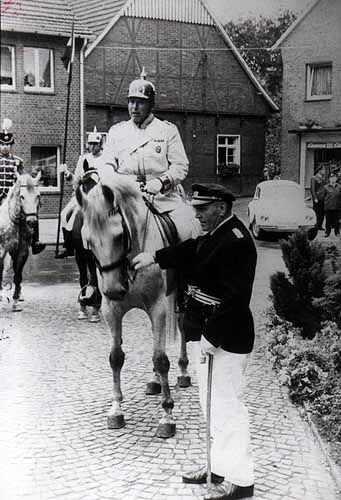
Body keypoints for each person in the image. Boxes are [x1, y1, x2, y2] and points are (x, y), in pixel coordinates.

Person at [133, 183, 257, 500]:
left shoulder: (236, 242)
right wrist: (154, 257)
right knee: (211, 406)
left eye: (203, 210)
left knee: (228, 408)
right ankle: (218, 466)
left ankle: (241, 481)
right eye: (196, 210)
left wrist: (211, 339)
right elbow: (190, 250)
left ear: (222, 207)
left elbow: (236, 299)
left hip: (224, 338)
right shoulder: (216, 234)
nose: (198, 215)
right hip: (207, 333)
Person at [100, 69, 194, 240]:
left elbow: (180, 166)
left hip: (161, 198)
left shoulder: (167, 130)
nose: (134, 108)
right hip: (124, 198)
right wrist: (117, 184)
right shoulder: (117, 131)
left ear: (151, 104)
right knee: (94, 233)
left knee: (188, 229)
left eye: (140, 102)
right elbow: (106, 164)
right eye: (131, 102)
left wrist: (161, 182)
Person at [56, 128, 103, 258]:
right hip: (83, 194)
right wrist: (67, 174)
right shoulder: (83, 159)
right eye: (90, 144)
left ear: (100, 144)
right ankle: (68, 246)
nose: (92, 147)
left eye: (95, 144)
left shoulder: (106, 158)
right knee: (64, 214)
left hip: (100, 195)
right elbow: (75, 180)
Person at [0, 118, 45, 254]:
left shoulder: (18, 161)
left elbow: (23, 181)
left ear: (12, 146)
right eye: (2, 144)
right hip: (0, 195)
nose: (5, 147)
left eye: (8, 144)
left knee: (32, 213)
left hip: (14, 196)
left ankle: (35, 241)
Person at [322, 173, 341, 237]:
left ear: (336, 179)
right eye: (331, 177)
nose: (333, 179)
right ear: (329, 179)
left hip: (337, 206)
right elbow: (323, 196)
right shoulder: (325, 187)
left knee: (337, 221)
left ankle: (337, 233)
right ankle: (327, 232)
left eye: (334, 177)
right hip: (328, 207)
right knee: (328, 221)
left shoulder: (339, 187)